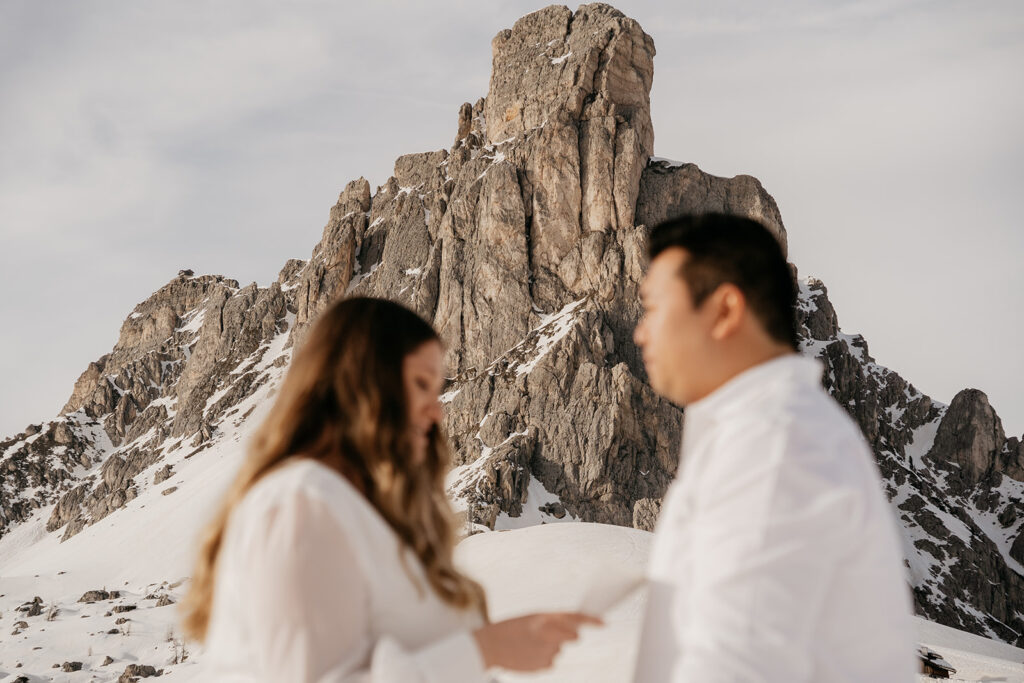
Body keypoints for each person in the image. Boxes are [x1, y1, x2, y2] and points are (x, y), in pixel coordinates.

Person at [180, 296, 599, 681]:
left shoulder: (358, 511)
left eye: (438, 390)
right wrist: (483, 650)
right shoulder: (300, 503)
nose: (437, 411)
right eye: (421, 385)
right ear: (358, 383)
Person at [631, 214, 916, 682]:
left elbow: (737, 666)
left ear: (724, 310)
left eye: (654, 307)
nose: (641, 332)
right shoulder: (761, 435)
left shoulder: (774, 447)